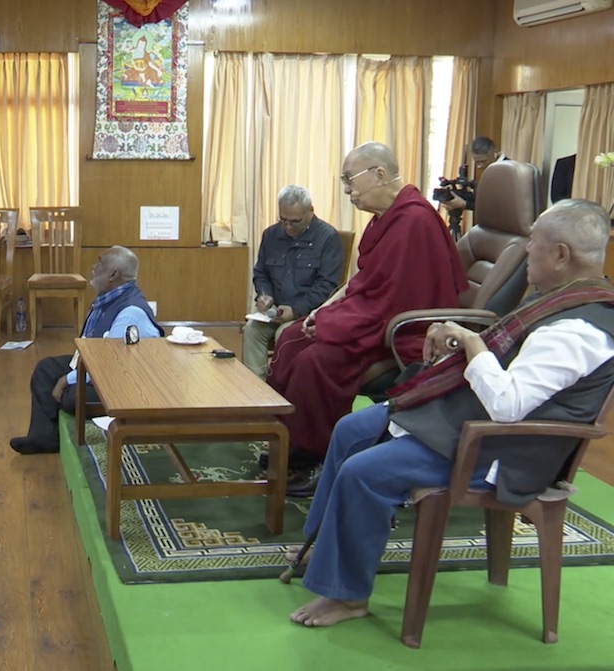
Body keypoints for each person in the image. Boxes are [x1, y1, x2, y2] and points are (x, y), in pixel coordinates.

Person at [289, 199, 614, 629]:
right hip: (475, 420)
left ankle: (347, 597)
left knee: (363, 470)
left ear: (560, 255)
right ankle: (327, 546)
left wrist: (475, 346)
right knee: (351, 429)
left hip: (505, 449)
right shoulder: (560, 300)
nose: (526, 250)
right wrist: (460, 336)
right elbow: (509, 361)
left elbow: (509, 406)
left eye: (533, 242)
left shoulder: (578, 330)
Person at [267, 142, 468, 496]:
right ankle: (288, 443)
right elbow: (364, 282)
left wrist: (331, 323)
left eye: (349, 179)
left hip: (407, 331)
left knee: (317, 360)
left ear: (379, 174)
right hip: (381, 316)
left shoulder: (414, 221)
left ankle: (317, 455)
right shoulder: (386, 219)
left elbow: (393, 301)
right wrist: (323, 312)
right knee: (290, 336)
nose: (346, 189)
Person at [10, 247, 163, 454]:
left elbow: (109, 365)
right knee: (45, 369)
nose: (93, 267)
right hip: (100, 367)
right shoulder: (109, 297)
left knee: (72, 395)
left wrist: (66, 380)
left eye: (99, 263)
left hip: (125, 382)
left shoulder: (129, 312)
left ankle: (59, 431)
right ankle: (45, 438)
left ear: (113, 274)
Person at [244, 186, 344, 378]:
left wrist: (296, 310)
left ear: (310, 211)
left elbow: (327, 286)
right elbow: (261, 273)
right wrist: (264, 295)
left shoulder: (328, 238)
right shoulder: (271, 235)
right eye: (283, 220)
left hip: (307, 316)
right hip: (275, 312)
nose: (288, 227)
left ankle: (281, 389)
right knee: (252, 330)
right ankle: (255, 388)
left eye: (295, 222)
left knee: (285, 334)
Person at [443, 136, 508, 214]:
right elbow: (484, 200)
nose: (479, 166)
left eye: (483, 161)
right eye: (477, 162)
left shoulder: (507, 170)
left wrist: (464, 204)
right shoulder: (493, 168)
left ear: (494, 152)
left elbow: (499, 206)